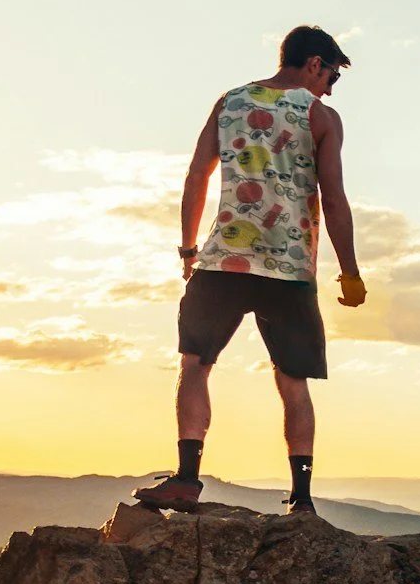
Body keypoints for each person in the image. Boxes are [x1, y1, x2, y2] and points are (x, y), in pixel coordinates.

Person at [133, 26, 369, 516]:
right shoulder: (321, 115)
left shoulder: (230, 102)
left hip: (224, 258)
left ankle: (185, 479)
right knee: (292, 380)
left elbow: (198, 174)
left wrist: (187, 248)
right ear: (313, 64)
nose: (329, 87)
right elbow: (334, 197)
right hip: (290, 266)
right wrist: (349, 272)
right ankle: (301, 499)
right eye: (331, 76)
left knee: (196, 365)